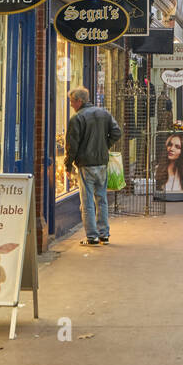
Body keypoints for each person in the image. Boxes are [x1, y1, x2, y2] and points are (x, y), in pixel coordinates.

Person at [65, 85, 121, 246]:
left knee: (87, 201)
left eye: (72, 101)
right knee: (101, 199)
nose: (70, 104)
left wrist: (68, 166)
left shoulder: (77, 118)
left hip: (85, 165)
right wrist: (104, 146)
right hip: (102, 163)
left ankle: (92, 236)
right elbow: (117, 133)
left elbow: (72, 146)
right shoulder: (104, 113)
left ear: (79, 101)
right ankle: (104, 234)